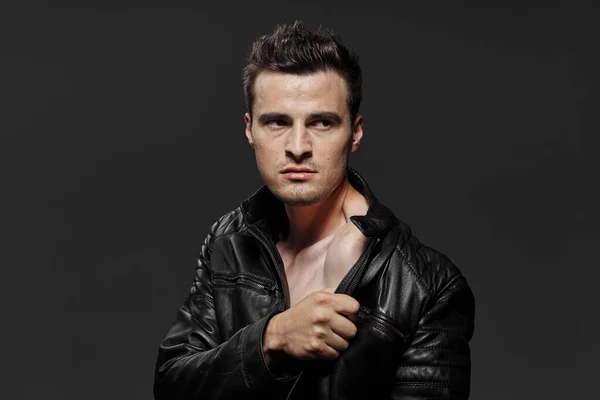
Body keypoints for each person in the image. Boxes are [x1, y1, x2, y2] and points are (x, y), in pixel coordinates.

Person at [154, 21, 475, 399]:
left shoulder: (428, 287)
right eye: (277, 122)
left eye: (322, 123)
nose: (298, 146)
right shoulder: (228, 240)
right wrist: (273, 339)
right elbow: (173, 385)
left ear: (354, 133)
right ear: (249, 129)